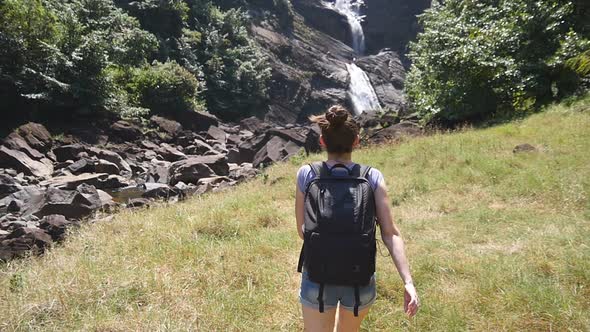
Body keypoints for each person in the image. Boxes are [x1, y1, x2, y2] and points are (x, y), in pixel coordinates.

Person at [295, 105, 419, 331]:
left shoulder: (307, 174)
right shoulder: (372, 176)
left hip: (317, 276)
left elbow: (302, 230)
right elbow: (390, 233)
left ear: (322, 142)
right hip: (359, 278)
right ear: (356, 142)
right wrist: (408, 282)